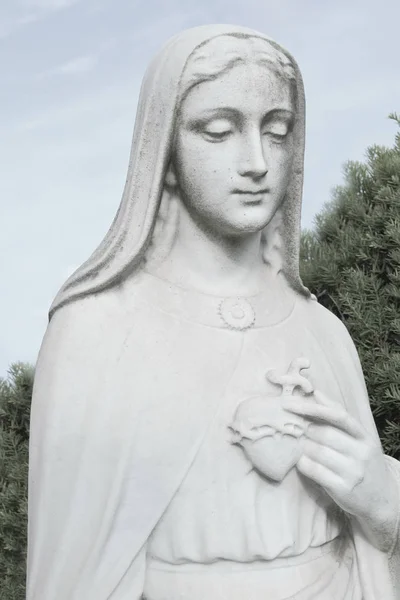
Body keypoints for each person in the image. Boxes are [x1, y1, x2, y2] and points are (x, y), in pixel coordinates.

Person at [26, 24, 400, 600]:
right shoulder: (96, 330)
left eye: (277, 133)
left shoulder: (320, 329)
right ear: (164, 151)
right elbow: (74, 567)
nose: (257, 162)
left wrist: (384, 507)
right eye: (219, 131)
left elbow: (374, 525)